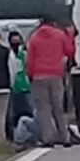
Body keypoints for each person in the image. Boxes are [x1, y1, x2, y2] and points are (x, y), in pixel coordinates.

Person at [27, 16, 75, 148]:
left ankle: (48, 138)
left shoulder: (34, 38)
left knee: (44, 109)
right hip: (56, 74)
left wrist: (30, 75)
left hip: (38, 75)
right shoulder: (59, 35)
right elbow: (69, 52)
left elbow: (30, 60)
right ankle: (64, 137)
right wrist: (70, 36)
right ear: (53, 23)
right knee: (58, 107)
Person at [7, 31, 33, 140]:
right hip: (13, 87)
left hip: (25, 86)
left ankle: (27, 133)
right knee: (12, 113)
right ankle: (13, 135)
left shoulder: (24, 54)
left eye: (18, 40)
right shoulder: (8, 54)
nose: (16, 42)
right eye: (13, 40)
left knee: (27, 111)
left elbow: (28, 67)